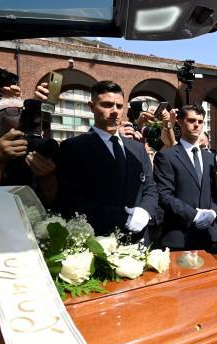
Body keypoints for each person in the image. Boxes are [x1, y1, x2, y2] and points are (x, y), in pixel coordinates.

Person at [55, 80, 158, 240]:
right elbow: (71, 199)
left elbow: (150, 187)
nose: (115, 111)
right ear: (91, 106)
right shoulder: (74, 148)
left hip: (140, 238)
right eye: (107, 105)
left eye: (119, 106)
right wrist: (123, 218)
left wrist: (145, 211)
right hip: (100, 240)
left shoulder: (137, 148)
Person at [153, 104, 217, 250]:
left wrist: (213, 213)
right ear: (179, 121)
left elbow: (215, 193)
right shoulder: (166, 156)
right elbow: (163, 195)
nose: (197, 125)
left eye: (200, 122)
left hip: (209, 236)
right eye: (191, 120)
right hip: (179, 237)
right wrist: (194, 215)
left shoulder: (210, 157)